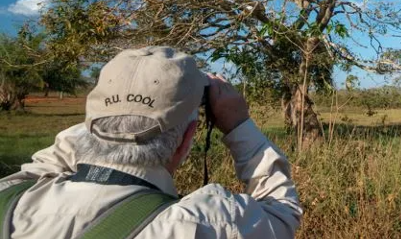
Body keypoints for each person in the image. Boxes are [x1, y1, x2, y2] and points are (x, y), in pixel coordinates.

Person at [0, 46, 302, 238]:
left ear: (90, 123)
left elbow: (46, 163)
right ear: (186, 139)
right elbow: (281, 211)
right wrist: (237, 124)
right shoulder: (205, 223)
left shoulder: (10, 195)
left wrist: (114, 107)